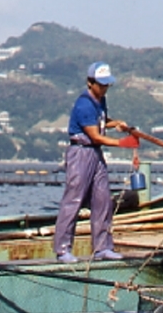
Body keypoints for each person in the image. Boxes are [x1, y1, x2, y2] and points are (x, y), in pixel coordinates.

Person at [53, 62, 130, 263]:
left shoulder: (100, 101)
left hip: (95, 154)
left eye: (107, 85)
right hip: (81, 153)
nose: (104, 89)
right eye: (101, 85)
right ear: (90, 83)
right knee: (74, 200)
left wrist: (116, 123)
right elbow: (95, 136)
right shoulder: (84, 104)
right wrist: (121, 143)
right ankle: (62, 249)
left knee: (102, 199)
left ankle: (103, 247)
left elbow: (101, 121)